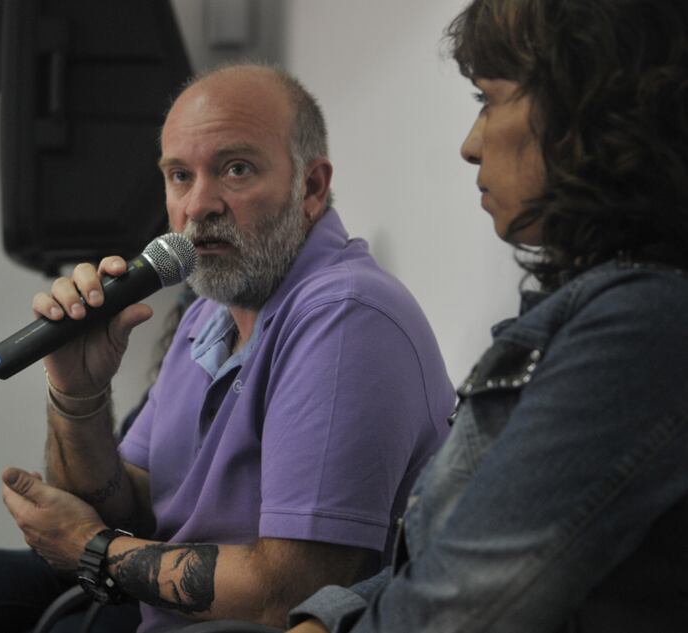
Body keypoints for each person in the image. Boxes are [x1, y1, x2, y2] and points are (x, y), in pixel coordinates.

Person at [0, 63, 455, 633]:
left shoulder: (344, 315)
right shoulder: (206, 316)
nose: (198, 206)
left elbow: (290, 592)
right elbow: (130, 505)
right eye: (179, 176)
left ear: (310, 188)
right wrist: (77, 393)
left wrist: (91, 549)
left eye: (235, 170)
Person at [285, 1, 688, 632]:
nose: (470, 146)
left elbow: (455, 608)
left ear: (590, 109)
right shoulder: (601, 308)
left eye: (488, 99)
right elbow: (448, 556)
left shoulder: (643, 326)